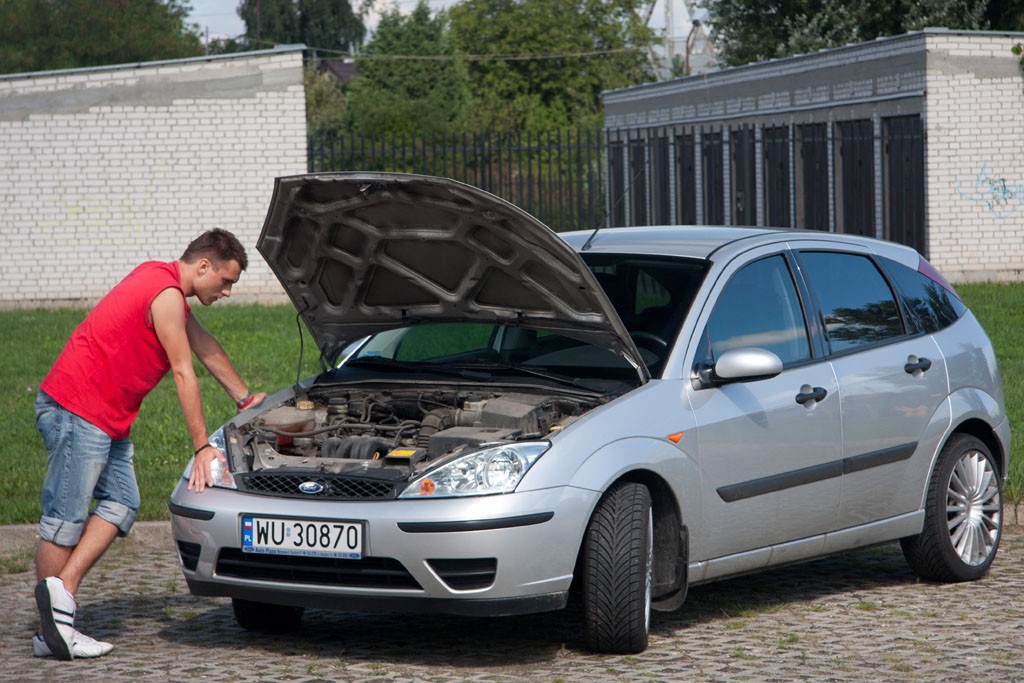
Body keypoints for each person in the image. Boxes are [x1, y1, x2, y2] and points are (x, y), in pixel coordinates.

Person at [32, 228, 267, 660]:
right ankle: (54, 628)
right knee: (65, 520)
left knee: (122, 502)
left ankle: (58, 607)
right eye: (226, 280)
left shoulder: (165, 286)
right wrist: (201, 447)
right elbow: (183, 372)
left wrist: (246, 399)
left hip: (106, 418)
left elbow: (204, 347)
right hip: (76, 409)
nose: (229, 292)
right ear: (203, 266)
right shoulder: (165, 294)